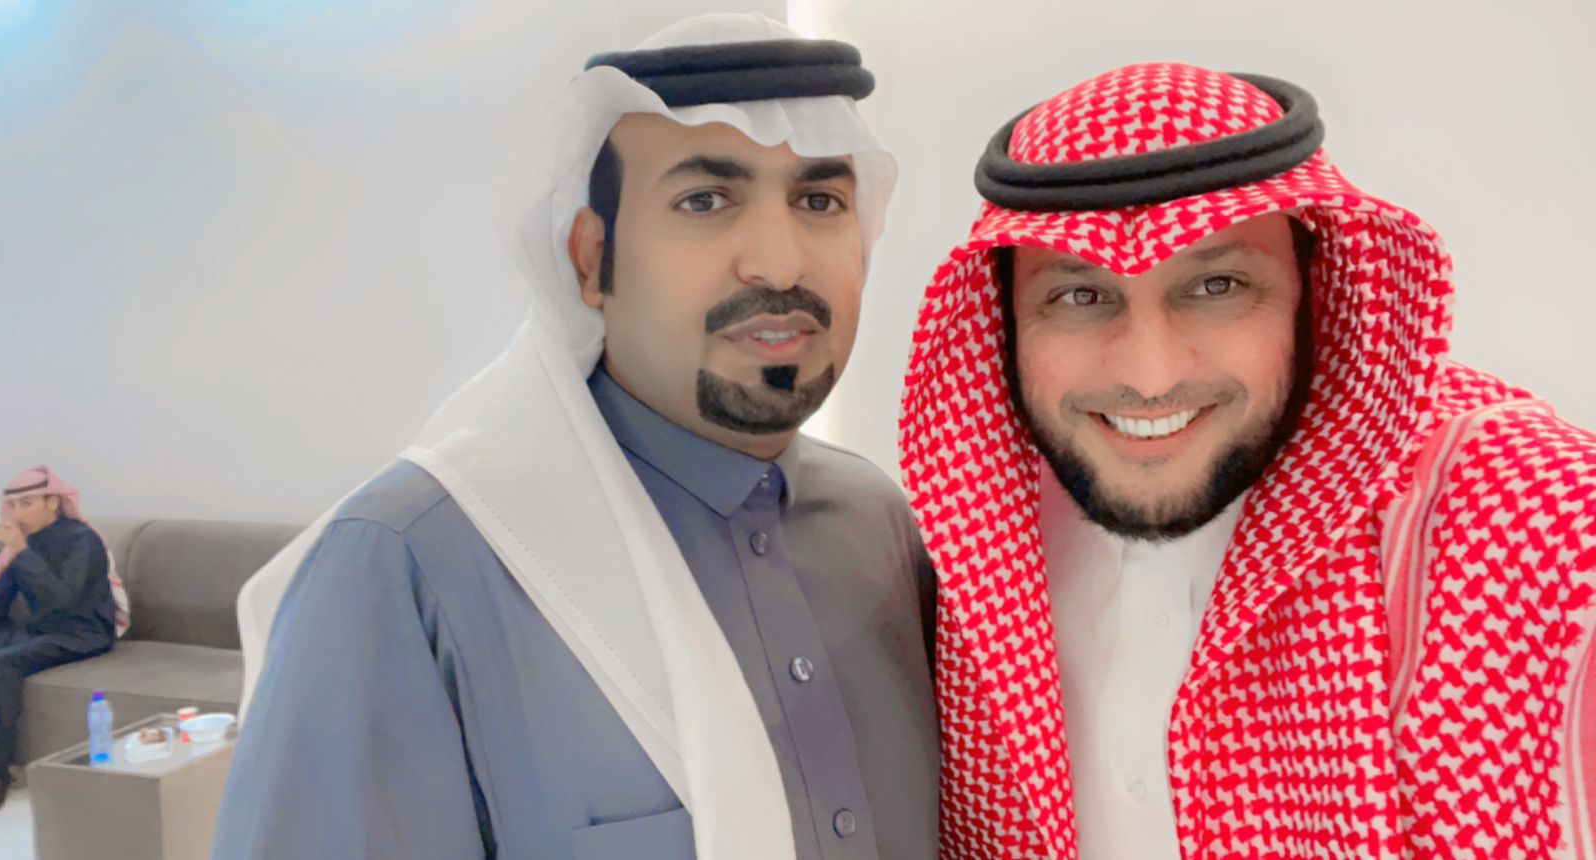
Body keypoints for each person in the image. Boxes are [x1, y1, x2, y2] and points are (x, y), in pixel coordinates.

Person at [214, 14, 937, 860]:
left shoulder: (879, 524)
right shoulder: (413, 566)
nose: (779, 263)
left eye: (819, 202)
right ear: (592, 260)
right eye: (705, 201)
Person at [900, 62, 1596, 858]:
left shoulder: (1536, 523)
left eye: (1217, 285)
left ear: (1311, 289)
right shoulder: (983, 548)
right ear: (1005, 322)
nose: (1150, 376)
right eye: (1080, 297)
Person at [0, 466, 118, 809]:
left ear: (52, 501)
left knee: (2, 666)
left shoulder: (83, 540)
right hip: (39, 630)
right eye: (14, 506)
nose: (19, 514)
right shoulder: (22, 542)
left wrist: (21, 552)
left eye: (27, 504)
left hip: (82, 632)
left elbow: (62, 601)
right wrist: (5, 556)